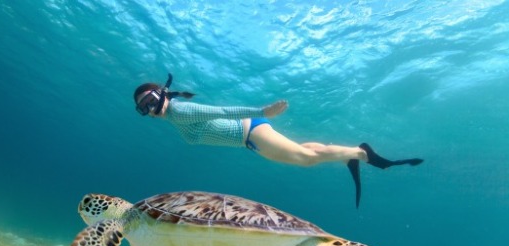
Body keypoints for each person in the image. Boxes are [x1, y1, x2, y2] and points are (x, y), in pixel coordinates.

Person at [133, 74, 423, 208]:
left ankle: (361, 154)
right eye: (141, 109)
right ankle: (351, 154)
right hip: (250, 137)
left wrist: (263, 111)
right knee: (305, 153)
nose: (148, 110)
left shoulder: (179, 111)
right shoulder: (175, 116)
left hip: (250, 133)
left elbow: (220, 111)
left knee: (305, 160)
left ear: (161, 93)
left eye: (147, 101)